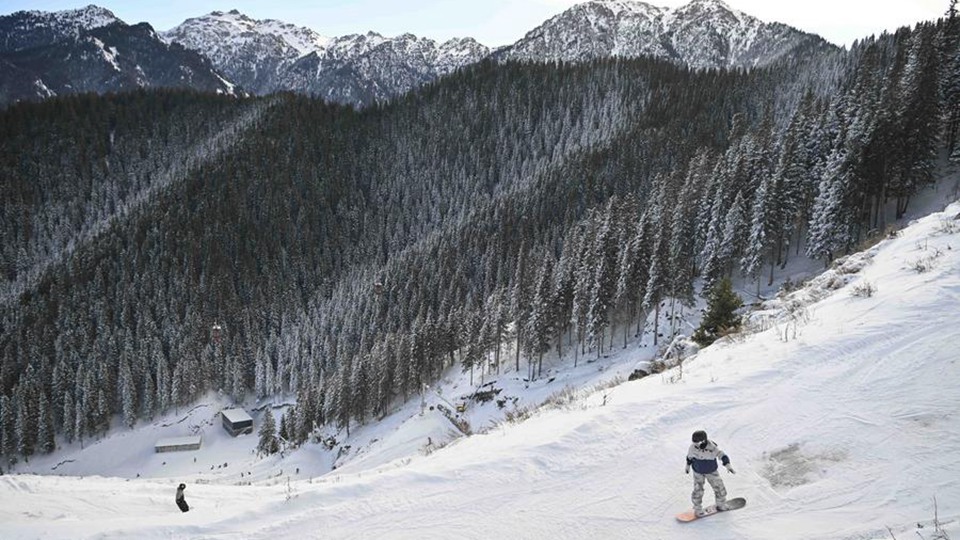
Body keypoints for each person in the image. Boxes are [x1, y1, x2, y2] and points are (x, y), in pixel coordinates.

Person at [685, 430, 734, 516]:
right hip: (698, 472)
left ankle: (721, 504)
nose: (696, 445)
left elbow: (722, 455)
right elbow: (689, 457)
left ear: (703, 441)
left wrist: (727, 465)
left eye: (697, 443)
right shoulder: (693, 448)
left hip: (711, 471)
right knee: (698, 490)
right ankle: (697, 508)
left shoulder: (712, 448)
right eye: (694, 443)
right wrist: (687, 466)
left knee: (719, 487)